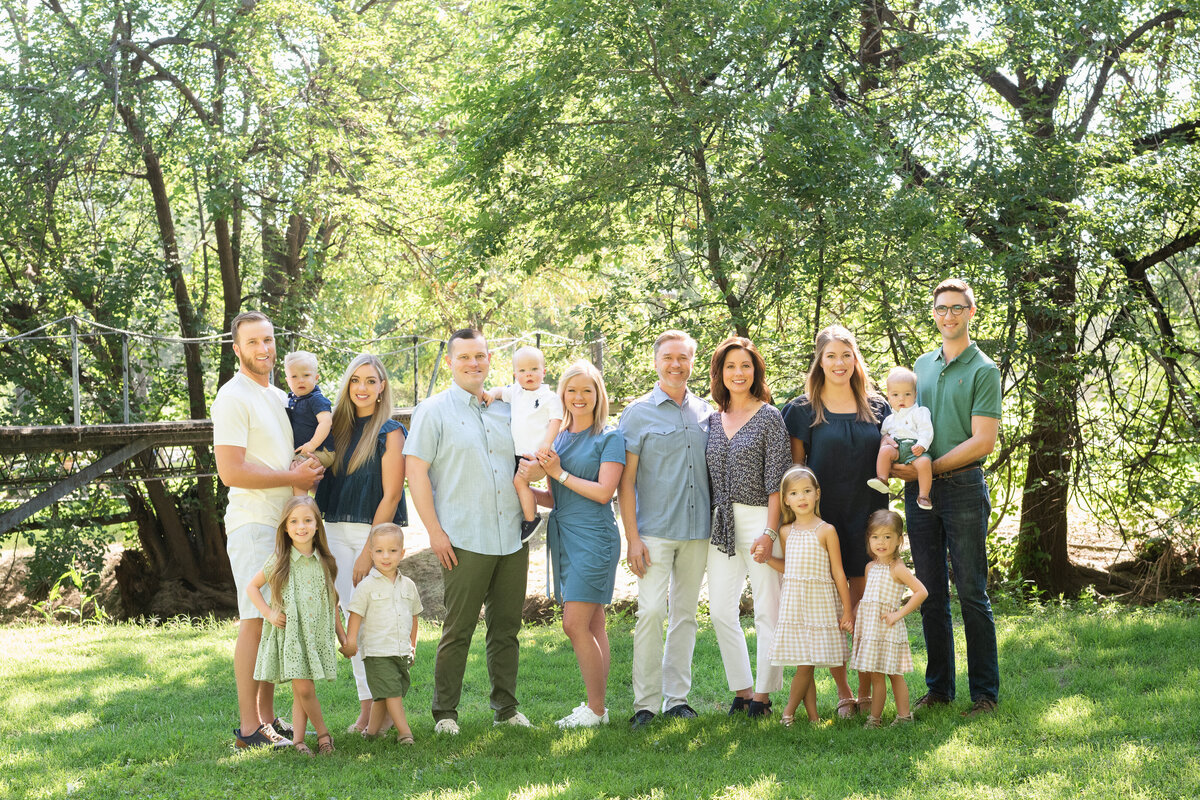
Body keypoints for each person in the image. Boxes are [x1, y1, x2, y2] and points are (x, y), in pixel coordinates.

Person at [403, 328, 530, 734]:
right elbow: (416, 473)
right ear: (450, 363)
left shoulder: (507, 408)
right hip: (462, 538)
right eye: (465, 358)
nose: (474, 364)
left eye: (481, 356)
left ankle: (506, 709)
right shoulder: (433, 411)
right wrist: (435, 533)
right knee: (458, 628)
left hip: (512, 535)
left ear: (490, 359)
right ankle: (445, 714)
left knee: (507, 626)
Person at [212, 310, 323, 749]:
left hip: (284, 522)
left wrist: (304, 468)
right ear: (237, 349)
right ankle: (247, 728)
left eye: (269, 340)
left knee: (274, 621)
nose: (263, 349)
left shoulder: (282, 396)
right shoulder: (232, 396)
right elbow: (230, 470)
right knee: (254, 619)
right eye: (253, 342)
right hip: (254, 521)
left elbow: (281, 459)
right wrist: (290, 479)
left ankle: (268, 719)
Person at [893, 278, 1002, 718]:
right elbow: (907, 423)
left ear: (971, 313)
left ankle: (985, 695)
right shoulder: (921, 365)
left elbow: (984, 441)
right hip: (920, 491)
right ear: (934, 314)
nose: (949, 316)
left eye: (957, 308)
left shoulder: (983, 370)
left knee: (972, 592)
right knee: (930, 591)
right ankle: (939, 689)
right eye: (941, 309)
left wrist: (932, 468)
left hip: (961, 488)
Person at [780, 325, 890, 718]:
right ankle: (843, 692)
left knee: (863, 604)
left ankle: (864, 692)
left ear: (855, 359)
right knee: (829, 610)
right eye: (831, 356)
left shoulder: (879, 407)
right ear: (819, 361)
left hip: (869, 516)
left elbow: (895, 458)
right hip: (823, 523)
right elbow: (795, 475)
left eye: (846, 354)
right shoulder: (801, 410)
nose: (839, 363)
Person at [617, 330, 712, 729]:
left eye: (683, 358)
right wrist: (632, 537)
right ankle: (646, 704)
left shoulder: (708, 412)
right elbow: (625, 482)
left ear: (692, 362)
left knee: (685, 615)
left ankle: (678, 699)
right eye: (668, 357)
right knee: (651, 612)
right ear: (656, 362)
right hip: (653, 531)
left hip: (698, 531)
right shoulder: (637, 413)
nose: (676, 365)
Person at [525, 360, 625, 728]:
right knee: (594, 623)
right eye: (571, 390)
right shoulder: (560, 438)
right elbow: (559, 497)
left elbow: (602, 493)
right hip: (566, 535)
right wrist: (527, 489)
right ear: (562, 395)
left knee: (574, 624)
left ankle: (596, 710)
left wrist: (558, 473)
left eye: (587, 390)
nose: (579, 397)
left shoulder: (610, 438)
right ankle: (596, 708)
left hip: (595, 538)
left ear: (598, 393)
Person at [315, 353, 408, 734]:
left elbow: (390, 495)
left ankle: (380, 711)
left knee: (377, 624)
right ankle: (368, 708)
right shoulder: (335, 428)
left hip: (374, 536)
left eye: (371, 381)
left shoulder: (391, 431)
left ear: (382, 386)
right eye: (356, 380)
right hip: (333, 532)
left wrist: (371, 550)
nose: (362, 388)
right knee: (353, 625)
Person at [705, 336, 791, 717]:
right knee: (721, 611)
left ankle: (764, 696)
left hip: (760, 519)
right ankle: (741, 690)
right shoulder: (711, 419)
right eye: (730, 367)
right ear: (719, 374)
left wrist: (770, 533)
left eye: (745, 366)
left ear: (755, 370)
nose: (738, 373)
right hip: (720, 523)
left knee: (767, 610)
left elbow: (778, 482)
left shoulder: (770, 416)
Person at [246, 496, 347, 756]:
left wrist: (343, 637)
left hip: (315, 635)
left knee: (302, 691)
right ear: (286, 528)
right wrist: (268, 613)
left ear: (317, 526)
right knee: (303, 688)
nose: (301, 526)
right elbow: (252, 587)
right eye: (294, 521)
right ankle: (324, 734)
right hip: (291, 636)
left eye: (307, 520)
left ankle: (299, 740)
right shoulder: (280, 560)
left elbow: (332, 602)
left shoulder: (325, 562)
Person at [765, 466, 853, 725]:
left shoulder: (826, 530)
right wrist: (768, 559)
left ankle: (788, 713)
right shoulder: (785, 531)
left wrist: (847, 611)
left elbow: (838, 573)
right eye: (794, 493)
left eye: (806, 491)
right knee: (806, 662)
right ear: (786, 500)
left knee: (807, 663)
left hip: (820, 603)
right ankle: (813, 717)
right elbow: (789, 567)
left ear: (817, 494)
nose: (801, 497)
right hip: (795, 604)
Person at [341, 523, 423, 745]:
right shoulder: (366, 586)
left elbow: (414, 617)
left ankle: (371, 732)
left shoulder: (408, 586)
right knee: (392, 694)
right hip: (377, 652)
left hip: (400, 651)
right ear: (371, 554)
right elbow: (356, 615)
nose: (385, 556)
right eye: (379, 551)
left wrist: (412, 646)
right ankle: (404, 732)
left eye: (392, 550)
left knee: (382, 696)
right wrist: (351, 643)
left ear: (402, 553)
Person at [849, 509, 928, 728]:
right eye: (875, 537)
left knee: (894, 674)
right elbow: (868, 598)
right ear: (869, 539)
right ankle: (875, 719)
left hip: (888, 628)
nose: (880, 542)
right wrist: (853, 616)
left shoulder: (898, 569)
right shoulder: (870, 567)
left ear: (899, 540)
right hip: (872, 631)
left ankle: (904, 716)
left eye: (887, 537)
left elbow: (921, 592)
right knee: (876, 675)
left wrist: (898, 614)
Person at [484, 345, 564, 543]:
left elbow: (556, 420)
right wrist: (491, 394)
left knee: (519, 482)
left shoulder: (550, 397)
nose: (529, 374)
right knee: (518, 483)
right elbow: (500, 391)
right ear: (515, 375)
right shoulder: (516, 392)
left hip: (540, 452)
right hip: (520, 452)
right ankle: (528, 515)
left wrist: (547, 443)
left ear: (543, 372)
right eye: (522, 371)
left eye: (534, 369)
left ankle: (531, 519)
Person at [867, 367, 934, 510]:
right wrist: (884, 441)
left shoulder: (919, 412)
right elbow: (884, 436)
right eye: (895, 395)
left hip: (914, 449)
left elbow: (926, 430)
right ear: (889, 397)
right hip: (897, 449)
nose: (901, 399)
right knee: (885, 451)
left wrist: (922, 444)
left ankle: (923, 495)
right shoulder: (889, 419)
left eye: (907, 394)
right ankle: (882, 479)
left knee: (924, 463)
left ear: (915, 395)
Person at [283, 350, 335, 474]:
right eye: (294, 376)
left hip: (321, 450)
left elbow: (326, 422)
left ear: (316, 378)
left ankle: (300, 494)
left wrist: (312, 444)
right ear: (287, 381)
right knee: (289, 464)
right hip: (306, 450)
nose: (300, 380)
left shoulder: (316, 399)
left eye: (306, 375)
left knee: (297, 467)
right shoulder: (291, 400)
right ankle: (301, 493)